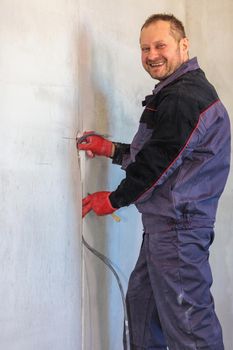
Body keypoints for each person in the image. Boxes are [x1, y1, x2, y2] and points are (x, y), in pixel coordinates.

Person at [77, 13, 231, 350]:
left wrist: (114, 199)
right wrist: (111, 149)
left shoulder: (184, 97)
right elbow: (164, 153)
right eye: (144, 48)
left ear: (183, 45)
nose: (151, 54)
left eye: (160, 45)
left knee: (190, 328)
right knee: (143, 309)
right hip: (164, 228)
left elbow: (158, 163)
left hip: (177, 230)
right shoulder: (176, 93)